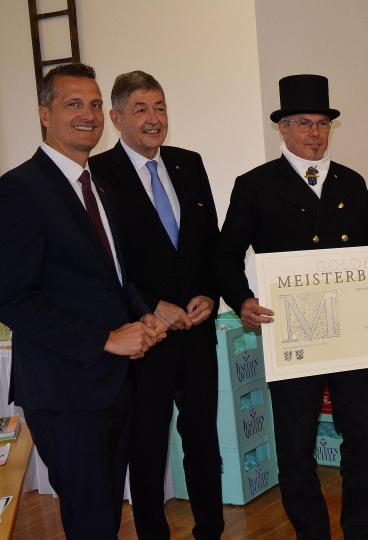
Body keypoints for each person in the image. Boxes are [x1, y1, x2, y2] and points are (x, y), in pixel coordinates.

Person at [216, 74, 368, 540]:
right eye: (303, 123)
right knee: (295, 449)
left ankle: (360, 531)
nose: (314, 133)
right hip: (294, 341)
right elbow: (225, 254)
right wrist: (243, 300)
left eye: (322, 124)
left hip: (353, 342)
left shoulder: (352, 181)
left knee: (363, 443)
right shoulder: (254, 185)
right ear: (283, 129)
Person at [0, 63, 167, 538]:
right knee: (91, 521)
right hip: (66, 392)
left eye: (94, 104)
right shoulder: (17, 190)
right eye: (73, 103)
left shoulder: (100, 186)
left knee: (105, 516)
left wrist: (145, 315)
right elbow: (13, 298)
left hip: (116, 386)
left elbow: (115, 277)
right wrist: (105, 340)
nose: (88, 114)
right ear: (44, 114)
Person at [89, 70, 224, 539]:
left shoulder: (190, 163)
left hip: (198, 333)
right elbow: (108, 263)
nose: (153, 119)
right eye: (141, 109)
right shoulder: (97, 175)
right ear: (116, 117)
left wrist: (211, 293)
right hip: (144, 338)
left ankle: (211, 529)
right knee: (145, 448)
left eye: (160, 107)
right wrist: (149, 306)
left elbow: (210, 246)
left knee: (204, 441)